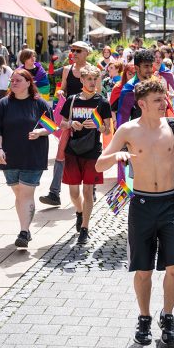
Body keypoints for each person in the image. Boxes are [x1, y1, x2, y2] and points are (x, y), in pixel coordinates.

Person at [96, 79, 174, 348]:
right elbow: (99, 163)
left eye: (164, 99)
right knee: (143, 270)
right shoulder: (128, 130)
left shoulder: (173, 126)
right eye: (157, 101)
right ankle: (144, 317)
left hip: (169, 203)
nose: (163, 104)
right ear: (141, 104)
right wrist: (118, 157)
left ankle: (168, 315)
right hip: (141, 205)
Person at [0, 69, 53, 248]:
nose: (14, 83)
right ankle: (25, 228)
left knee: (26, 194)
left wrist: (40, 132)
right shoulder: (3, 104)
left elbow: (51, 126)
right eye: (12, 80)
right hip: (9, 156)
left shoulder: (39, 103)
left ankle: (24, 232)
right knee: (19, 194)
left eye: (18, 80)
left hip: (33, 155)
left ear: (28, 82)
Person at [60, 66, 111, 245]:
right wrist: (71, 123)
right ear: (81, 80)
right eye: (88, 79)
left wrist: (98, 126)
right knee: (74, 192)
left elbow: (108, 130)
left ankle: (85, 228)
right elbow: (62, 123)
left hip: (92, 151)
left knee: (88, 190)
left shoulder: (102, 102)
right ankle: (79, 212)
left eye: (94, 79)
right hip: (73, 150)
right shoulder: (72, 100)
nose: (91, 82)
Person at [40, 41, 95, 207]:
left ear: (86, 53)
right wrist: (61, 92)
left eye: (78, 50)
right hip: (69, 116)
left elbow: (98, 94)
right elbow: (63, 87)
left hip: (87, 117)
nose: (74, 53)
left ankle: (90, 189)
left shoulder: (92, 71)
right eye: (73, 50)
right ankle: (54, 193)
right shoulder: (67, 70)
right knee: (61, 151)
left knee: (89, 152)